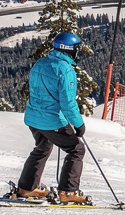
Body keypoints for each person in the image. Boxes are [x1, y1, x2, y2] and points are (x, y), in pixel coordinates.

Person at [10, 32, 92, 204]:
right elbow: (68, 102)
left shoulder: (40, 63)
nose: (79, 52)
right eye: (77, 48)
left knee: (43, 147)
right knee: (76, 149)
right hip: (52, 120)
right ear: (70, 49)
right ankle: (68, 191)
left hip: (33, 118)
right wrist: (79, 124)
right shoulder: (65, 70)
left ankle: (27, 187)